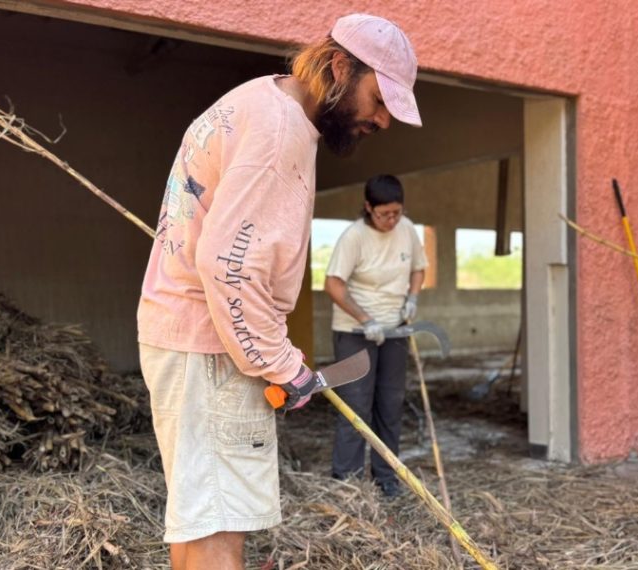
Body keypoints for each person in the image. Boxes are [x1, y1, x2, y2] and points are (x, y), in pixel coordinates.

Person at [136, 14, 421, 570]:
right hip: (212, 350)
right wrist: (281, 364)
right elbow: (229, 268)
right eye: (379, 99)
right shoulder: (281, 133)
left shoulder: (252, 101)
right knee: (223, 528)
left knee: (201, 517)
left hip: (185, 339)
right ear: (340, 67)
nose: (382, 120)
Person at [325, 174, 426, 498]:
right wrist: (366, 320)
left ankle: (387, 478)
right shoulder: (353, 237)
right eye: (384, 214)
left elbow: (418, 269)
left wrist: (412, 299)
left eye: (396, 213)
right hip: (356, 333)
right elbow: (334, 285)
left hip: (394, 331)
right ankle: (348, 482)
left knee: (390, 404)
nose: (391, 220)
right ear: (369, 208)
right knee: (356, 407)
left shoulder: (406, 229)